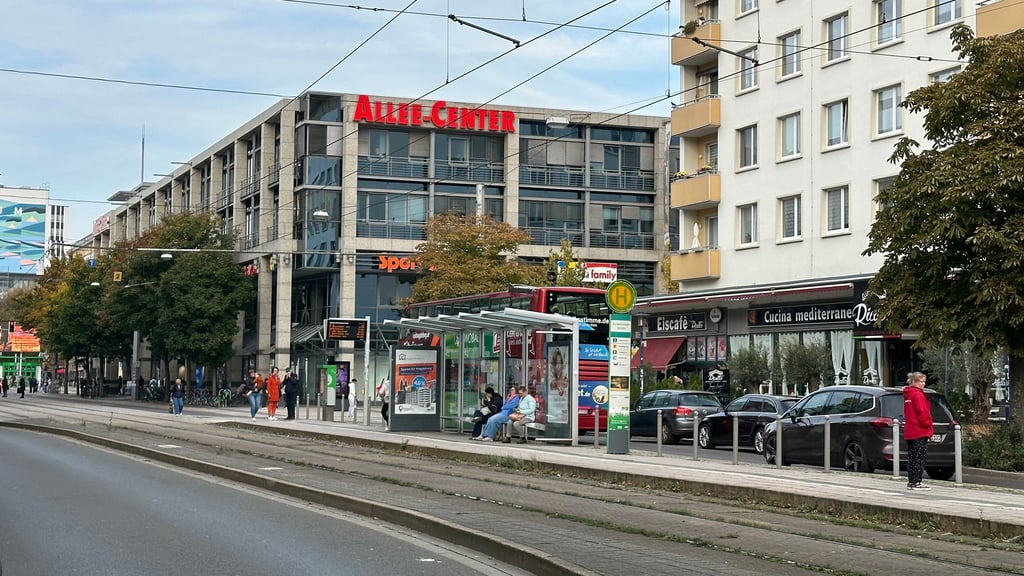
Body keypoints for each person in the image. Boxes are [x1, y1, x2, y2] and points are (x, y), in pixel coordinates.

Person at [904, 371, 934, 491]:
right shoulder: (918, 395)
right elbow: (923, 412)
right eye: (921, 381)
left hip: (910, 430)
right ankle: (917, 481)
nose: (923, 384)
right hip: (919, 430)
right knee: (919, 457)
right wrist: (928, 426)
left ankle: (911, 480)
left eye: (924, 382)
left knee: (912, 457)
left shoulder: (908, 395)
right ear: (915, 382)